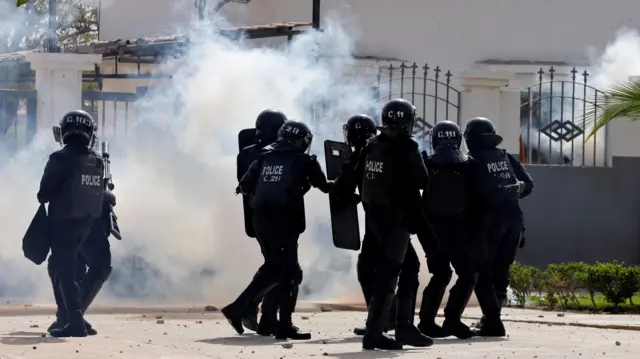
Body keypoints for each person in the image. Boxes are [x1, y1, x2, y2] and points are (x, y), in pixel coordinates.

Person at [223, 120, 333, 340]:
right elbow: (326, 186)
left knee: (279, 271)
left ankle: (275, 324)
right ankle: (240, 309)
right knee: (289, 273)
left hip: (261, 220)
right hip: (284, 221)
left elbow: (244, 186)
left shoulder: (263, 157)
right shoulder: (305, 160)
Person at [335, 114, 430, 347]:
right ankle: (376, 331)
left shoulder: (370, 147)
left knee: (407, 267)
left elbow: (346, 178)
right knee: (390, 274)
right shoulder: (407, 147)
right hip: (397, 221)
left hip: (376, 220)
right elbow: (422, 180)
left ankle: (402, 326)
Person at [417, 120, 501, 339]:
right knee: (467, 274)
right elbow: (480, 196)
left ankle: (426, 321)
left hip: (432, 230)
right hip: (458, 230)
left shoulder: (425, 161)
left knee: (441, 274)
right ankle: (452, 319)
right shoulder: (469, 164)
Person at [462, 117, 534, 336]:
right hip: (513, 221)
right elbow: (528, 185)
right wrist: (513, 191)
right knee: (501, 271)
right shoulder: (505, 157)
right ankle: (491, 318)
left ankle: (492, 322)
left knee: (481, 272)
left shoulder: (470, 160)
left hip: (488, 224)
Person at [38, 110, 104, 338]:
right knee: (62, 268)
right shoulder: (96, 160)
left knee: (64, 271)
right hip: (85, 226)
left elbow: (43, 194)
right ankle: (74, 319)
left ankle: (74, 321)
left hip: (62, 224)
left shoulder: (59, 158)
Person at [237, 109, 287, 335]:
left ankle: (262, 315)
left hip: (258, 217)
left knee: (275, 266)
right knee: (281, 269)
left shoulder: (246, 154)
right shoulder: (273, 155)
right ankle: (247, 309)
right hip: (275, 217)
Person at [47, 189, 115, 336]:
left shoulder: (93, 166)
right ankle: (70, 317)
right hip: (80, 219)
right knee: (95, 266)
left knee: (74, 267)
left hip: (83, 219)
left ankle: (69, 317)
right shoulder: (65, 165)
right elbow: (48, 190)